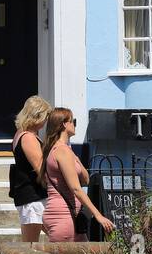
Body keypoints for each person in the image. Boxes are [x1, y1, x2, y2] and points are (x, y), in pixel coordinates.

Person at [38, 108, 114, 242]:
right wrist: (98, 215)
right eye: (72, 121)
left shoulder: (65, 150)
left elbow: (86, 180)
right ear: (64, 124)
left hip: (71, 217)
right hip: (63, 217)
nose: (74, 125)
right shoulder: (61, 150)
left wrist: (76, 159)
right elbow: (76, 188)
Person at [9, 95, 51, 242]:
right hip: (33, 197)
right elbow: (40, 168)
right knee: (30, 245)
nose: (46, 121)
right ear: (37, 116)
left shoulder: (21, 134)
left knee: (53, 236)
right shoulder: (28, 137)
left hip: (31, 196)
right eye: (45, 116)